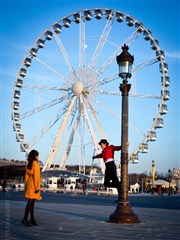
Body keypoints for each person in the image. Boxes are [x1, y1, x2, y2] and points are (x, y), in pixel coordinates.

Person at [22, 150, 42, 227]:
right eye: (37, 155)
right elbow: (37, 177)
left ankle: (32, 218)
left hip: (29, 184)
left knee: (31, 203)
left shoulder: (29, 164)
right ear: (35, 156)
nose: (38, 157)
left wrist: (26, 185)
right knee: (30, 203)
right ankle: (25, 218)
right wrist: (37, 187)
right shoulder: (36, 164)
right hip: (34, 185)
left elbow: (26, 176)